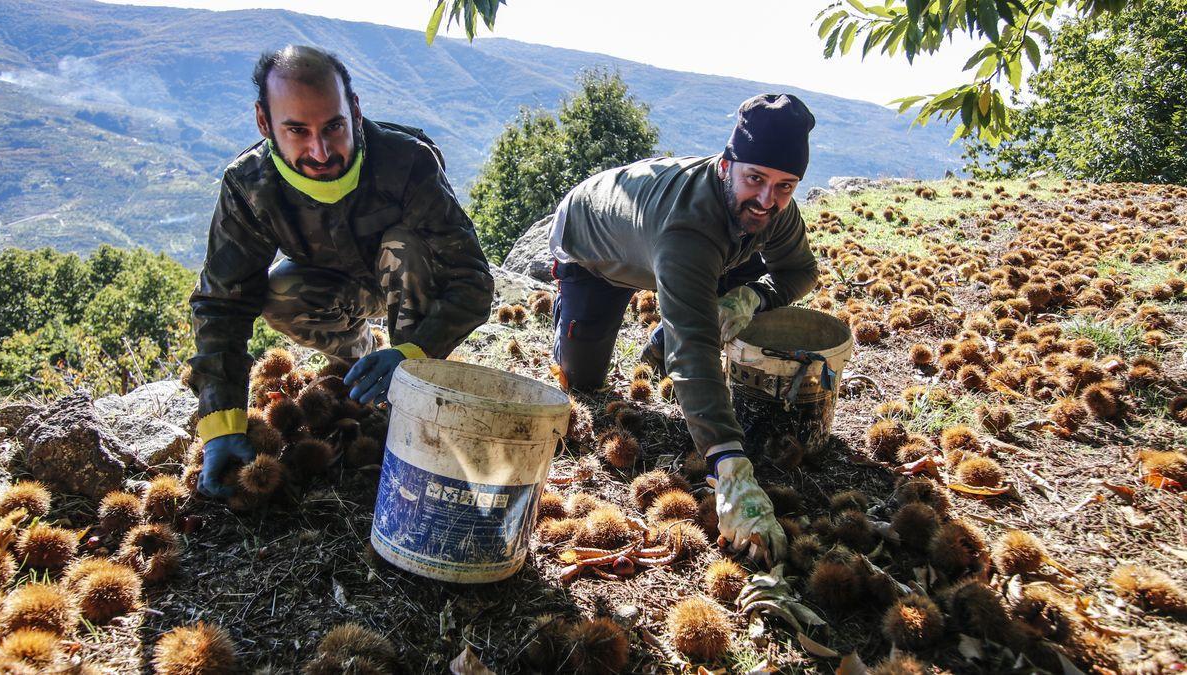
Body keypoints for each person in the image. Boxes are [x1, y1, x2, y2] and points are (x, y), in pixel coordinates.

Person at [187, 46, 493, 498]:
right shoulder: (249, 185)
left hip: (410, 277)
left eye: (333, 126)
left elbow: (471, 279)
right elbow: (221, 303)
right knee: (280, 290)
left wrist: (414, 350)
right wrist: (221, 423)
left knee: (402, 247)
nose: (321, 149)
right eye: (297, 131)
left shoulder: (407, 161)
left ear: (354, 109)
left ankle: (410, 389)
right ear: (263, 123)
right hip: (335, 290)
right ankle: (359, 363)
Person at [548, 94, 820, 565]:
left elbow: (800, 271)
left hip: (690, 256)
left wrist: (751, 296)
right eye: (754, 178)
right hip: (596, 252)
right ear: (726, 165)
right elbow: (693, 352)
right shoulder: (687, 229)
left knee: (733, 271)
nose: (766, 199)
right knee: (584, 378)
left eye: (784, 186)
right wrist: (731, 468)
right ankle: (621, 318)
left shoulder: (770, 207)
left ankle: (680, 315)